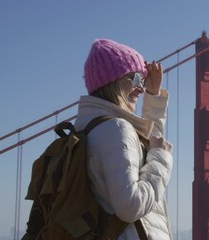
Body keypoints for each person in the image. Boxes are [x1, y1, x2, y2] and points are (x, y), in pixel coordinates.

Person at [74, 39, 173, 239]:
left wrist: (153, 96)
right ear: (114, 81)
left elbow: (146, 150)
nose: (141, 87)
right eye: (136, 78)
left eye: (143, 80)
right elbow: (131, 206)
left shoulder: (90, 127)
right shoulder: (117, 129)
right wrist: (162, 159)